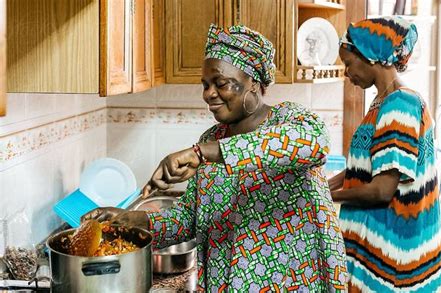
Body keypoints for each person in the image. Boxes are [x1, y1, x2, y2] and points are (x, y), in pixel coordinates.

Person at [83, 24, 348, 291]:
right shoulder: (211, 138)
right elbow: (188, 219)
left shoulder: (291, 120)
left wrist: (202, 153)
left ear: (253, 82)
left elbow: (314, 144)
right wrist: (131, 220)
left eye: (220, 83)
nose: (208, 94)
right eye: (206, 85)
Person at [330, 16, 441, 292]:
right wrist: (323, 183)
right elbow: (362, 171)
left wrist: (326, 195)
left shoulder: (401, 104)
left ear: (371, 56)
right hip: (375, 254)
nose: (347, 73)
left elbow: (382, 190)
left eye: (348, 64)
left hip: (397, 262)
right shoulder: (382, 101)